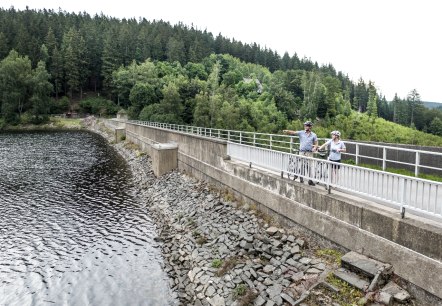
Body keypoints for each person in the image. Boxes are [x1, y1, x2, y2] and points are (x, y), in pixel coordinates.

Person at [283, 121, 318, 186]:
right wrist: (287, 131)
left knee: (309, 167)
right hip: (302, 152)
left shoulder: (314, 135)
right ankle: (301, 179)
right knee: (302, 165)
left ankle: (310, 180)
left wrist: (315, 148)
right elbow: (293, 132)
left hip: (309, 152)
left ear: (310, 127)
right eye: (305, 126)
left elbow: (316, 143)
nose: (305, 127)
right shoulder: (301, 132)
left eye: (306, 126)